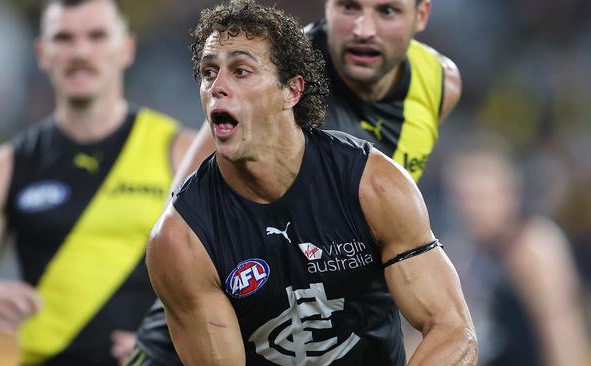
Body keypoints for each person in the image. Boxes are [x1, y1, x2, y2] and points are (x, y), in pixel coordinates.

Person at [127, 0, 461, 364]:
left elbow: (453, 330)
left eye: (240, 71)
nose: (218, 86)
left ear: (292, 90)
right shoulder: (183, 236)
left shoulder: (376, 182)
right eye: (208, 73)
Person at [0, 0, 194, 365]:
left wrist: (166, 338)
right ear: (42, 53)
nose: (80, 51)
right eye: (64, 38)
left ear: (127, 48)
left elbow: (237, 282)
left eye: (96, 36)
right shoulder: (4, 167)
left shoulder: (180, 154)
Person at [443, 134, 590, 366]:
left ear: (509, 195)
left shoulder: (534, 248)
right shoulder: (466, 252)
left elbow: (564, 340)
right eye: (462, 198)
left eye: (480, 198)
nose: (470, 210)